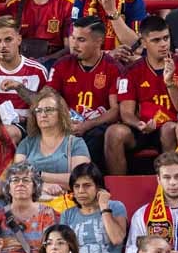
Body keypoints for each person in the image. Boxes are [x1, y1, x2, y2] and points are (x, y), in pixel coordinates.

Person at [106, 17, 178, 174]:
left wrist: (170, 83)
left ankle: (170, 184)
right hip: (142, 128)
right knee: (114, 132)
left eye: (166, 38)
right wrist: (139, 124)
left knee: (168, 129)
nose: (163, 44)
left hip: (172, 127)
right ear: (143, 43)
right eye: (156, 40)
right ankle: (118, 191)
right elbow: (126, 112)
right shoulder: (131, 71)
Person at [46, 17, 122, 161]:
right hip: (66, 124)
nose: (74, 44)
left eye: (81, 40)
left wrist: (87, 125)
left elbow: (115, 111)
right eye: (73, 38)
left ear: (98, 42)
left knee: (97, 135)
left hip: (95, 126)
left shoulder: (113, 69)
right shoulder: (61, 65)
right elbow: (50, 96)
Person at [125, 152, 178, 253]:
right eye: (166, 177)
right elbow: (131, 250)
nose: (173, 182)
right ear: (159, 179)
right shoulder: (142, 214)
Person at [13, 88, 90, 197]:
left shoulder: (76, 144)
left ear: (61, 113)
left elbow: (81, 180)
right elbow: (17, 177)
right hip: (32, 202)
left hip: (66, 204)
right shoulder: (26, 143)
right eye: (38, 111)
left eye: (48, 110)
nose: (43, 114)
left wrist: (40, 175)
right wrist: (43, 186)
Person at [60, 163, 127, 253]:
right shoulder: (67, 214)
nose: (81, 191)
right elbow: (64, 248)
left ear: (98, 188)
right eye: (76, 186)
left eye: (87, 186)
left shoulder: (116, 206)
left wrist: (104, 207)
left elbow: (117, 239)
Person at [0, 164, 58, 253]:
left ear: (35, 187)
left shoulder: (46, 213)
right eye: (15, 180)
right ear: (8, 188)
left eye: (26, 180)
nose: (20, 184)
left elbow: (51, 247)